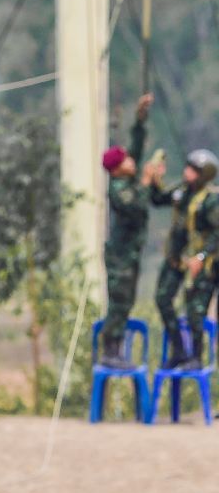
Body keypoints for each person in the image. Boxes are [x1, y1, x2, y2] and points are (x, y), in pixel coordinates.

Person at [99, 94, 162, 367]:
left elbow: (135, 149)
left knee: (127, 302)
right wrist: (148, 182)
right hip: (120, 259)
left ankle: (117, 349)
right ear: (116, 170)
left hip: (130, 256)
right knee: (119, 302)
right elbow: (137, 207)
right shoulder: (118, 190)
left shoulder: (127, 177)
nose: (131, 161)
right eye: (125, 161)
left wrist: (140, 119)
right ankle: (111, 351)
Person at [153, 149, 219, 368]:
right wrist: (156, 178)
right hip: (176, 259)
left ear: (203, 175)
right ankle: (179, 349)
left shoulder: (209, 201)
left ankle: (196, 357)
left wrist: (201, 256)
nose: (187, 172)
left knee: (195, 310)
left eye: (193, 169)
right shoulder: (180, 192)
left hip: (197, 263)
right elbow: (158, 198)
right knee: (163, 299)